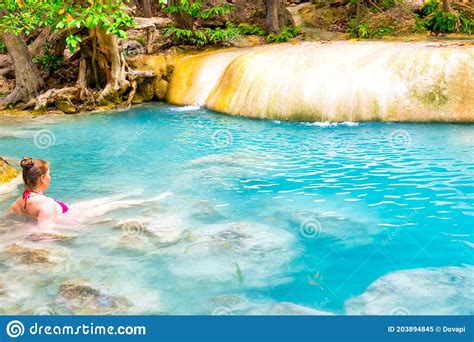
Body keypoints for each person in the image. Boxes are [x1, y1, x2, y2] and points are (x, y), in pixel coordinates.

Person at [9, 157, 68, 226]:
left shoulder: (17, 204)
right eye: (48, 174)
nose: (49, 177)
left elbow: (7, 221)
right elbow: (45, 234)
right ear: (42, 178)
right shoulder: (46, 204)